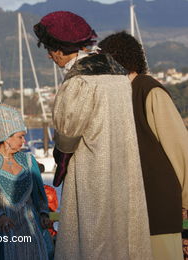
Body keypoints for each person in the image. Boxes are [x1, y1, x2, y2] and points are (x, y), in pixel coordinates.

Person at [33, 11, 152, 259]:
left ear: (61, 48)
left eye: (50, 48)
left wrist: (62, 153)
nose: (49, 55)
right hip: (123, 169)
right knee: (122, 234)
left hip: (93, 169)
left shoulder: (79, 80)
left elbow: (68, 131)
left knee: (91, 237)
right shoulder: (118, 75)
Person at [98, 31, 188, 260]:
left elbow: (179, 148)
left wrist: (186, 200)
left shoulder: (149, 90)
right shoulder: (116, 96)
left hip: (159, 206)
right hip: (128, 212)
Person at [0, 104, 53, 260]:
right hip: (3, 235)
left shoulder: (28, 161)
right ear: (7, 137)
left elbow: (39, 196)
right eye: (20, 136)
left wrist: (43, 214)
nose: (24, 141)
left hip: (33, 235)